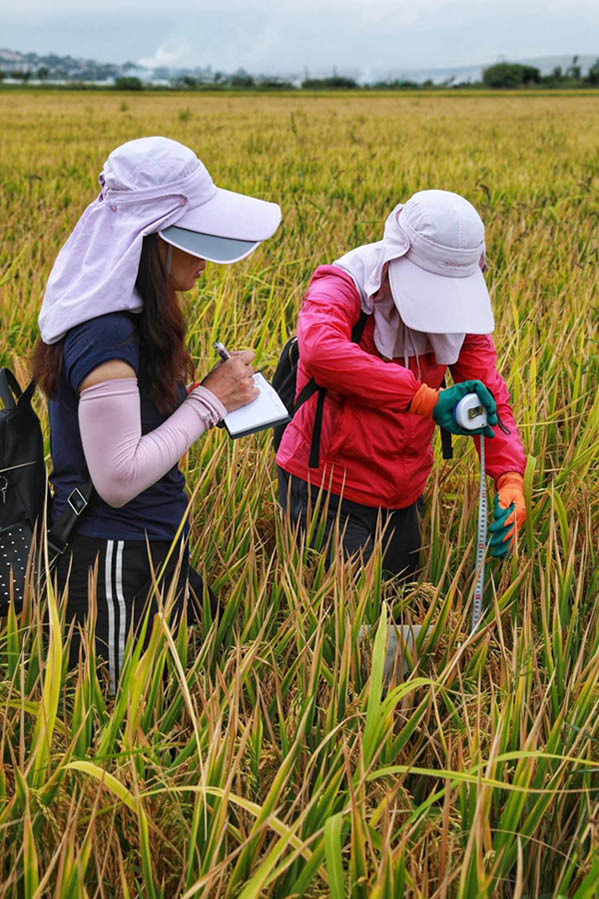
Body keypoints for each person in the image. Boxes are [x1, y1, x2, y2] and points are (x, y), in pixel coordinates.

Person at [33, 136, 281, 690]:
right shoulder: (106, 335)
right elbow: (119, 477)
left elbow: (135, 420)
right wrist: (210, 400)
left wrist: (203, 396)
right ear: (154, 240)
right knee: (120, 721)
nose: (204, 258)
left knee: (170, 691)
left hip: (148, 540)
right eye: (191, 237)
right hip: (112, 558)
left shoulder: (131, 314)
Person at [276, 189, 526, 578]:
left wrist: (508, 476)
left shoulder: (460, 312)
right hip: (326, 487)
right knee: (348, 611)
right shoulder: (345, 283)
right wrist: (424, 399)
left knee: (401, 594)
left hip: (402, 489)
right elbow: (321, 352)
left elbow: (488, 393)